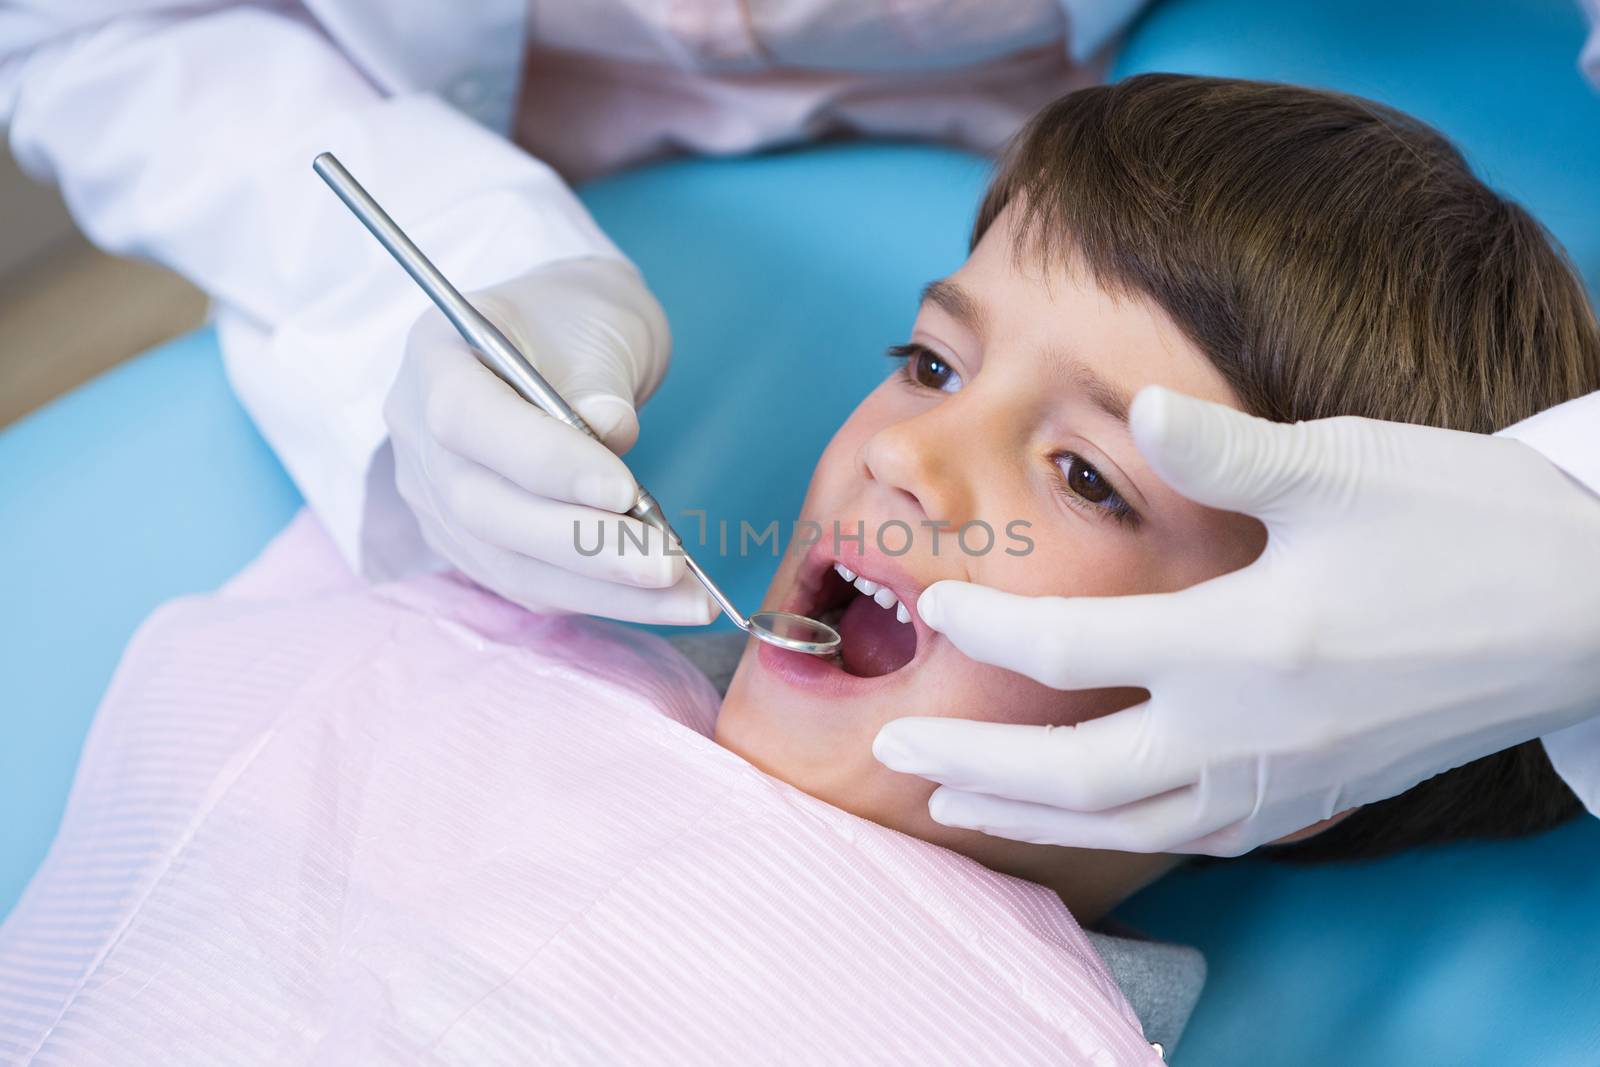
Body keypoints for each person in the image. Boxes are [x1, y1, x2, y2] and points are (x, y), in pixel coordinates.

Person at [4, 74, 1595, 1063]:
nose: (912, 455)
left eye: (1087, 475)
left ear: (1328, 712)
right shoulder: (483, 623)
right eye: (928, 359)